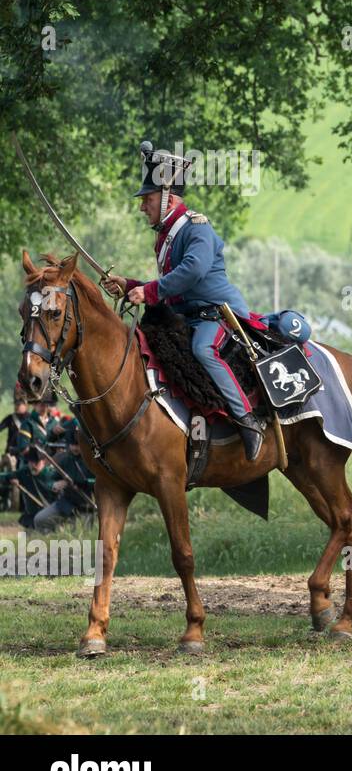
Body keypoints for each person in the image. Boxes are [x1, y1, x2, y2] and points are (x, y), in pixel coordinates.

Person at [103, 141, 265, 460]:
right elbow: (173, 289)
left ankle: (247, 420)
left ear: (167, 197)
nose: (141, 206)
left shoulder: (195, 228)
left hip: (217, 316)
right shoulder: (166, 236)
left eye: (147, 199)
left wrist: (147, 292)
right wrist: (130, 286)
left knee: (202, 350)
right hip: (187, 317)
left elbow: (193, 270)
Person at [30, 431, 97, 533]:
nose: (74, 448)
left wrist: (81, 483)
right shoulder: (65, 459)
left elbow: (99, 482)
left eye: (77, 445)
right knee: (40, 520)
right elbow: (51, 478)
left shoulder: (94, 460)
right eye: (72, 444)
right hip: (66, 504)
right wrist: (53, 485)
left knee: (82, 537)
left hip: (88, 508)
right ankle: (52, 542)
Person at [4, 447, 60, 530]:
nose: (32, 465)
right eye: (30, 462)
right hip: (31, 518)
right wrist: (12, 478)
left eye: (36, 462)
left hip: (49, 519)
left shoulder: (53, 475)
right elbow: (8, 476)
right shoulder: (25, 471)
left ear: (44, 461)